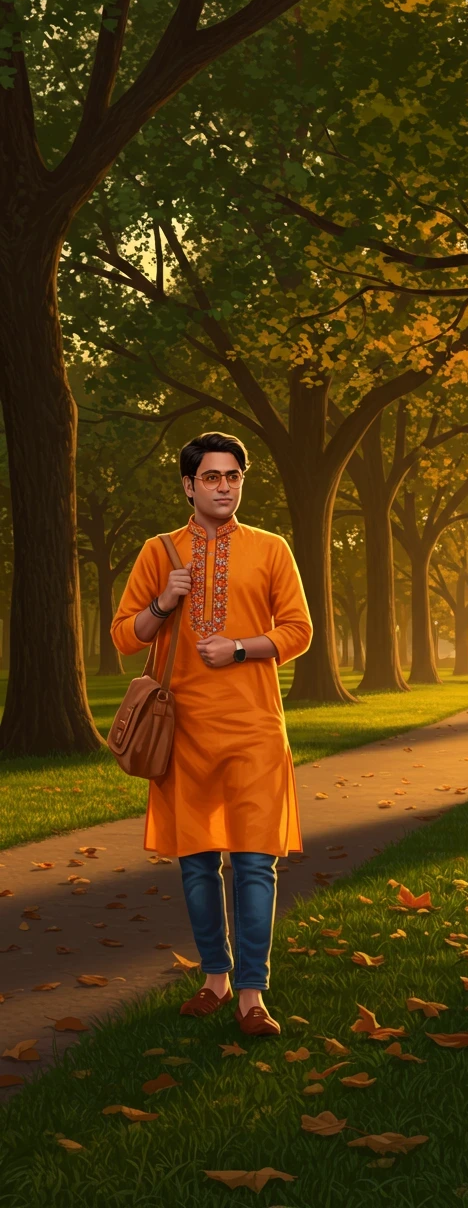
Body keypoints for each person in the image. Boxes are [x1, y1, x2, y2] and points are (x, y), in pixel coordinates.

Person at [111, 431, 312, 1036]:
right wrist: (164, 606)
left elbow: (299, 630)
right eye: (211, 478)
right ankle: (215, 980)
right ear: (189, 485)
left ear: (241, 482)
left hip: (254, 727)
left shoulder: (271, 548)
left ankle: (253, 995)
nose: (224, 487)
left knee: (255, 863)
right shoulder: (159, 552)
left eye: (233, 477)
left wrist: (244, 648)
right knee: (198, 864)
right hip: (184, 731)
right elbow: (125, 636)